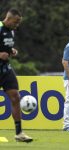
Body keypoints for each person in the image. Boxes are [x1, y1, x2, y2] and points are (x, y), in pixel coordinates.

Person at [0, 9, 33, 142]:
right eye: (16, 22)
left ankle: (19, 133)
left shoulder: (12, 31)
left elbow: (4, 48)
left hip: (5, 68)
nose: (17, 25)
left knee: (15, 97)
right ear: (8, 19)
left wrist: (11, 51)